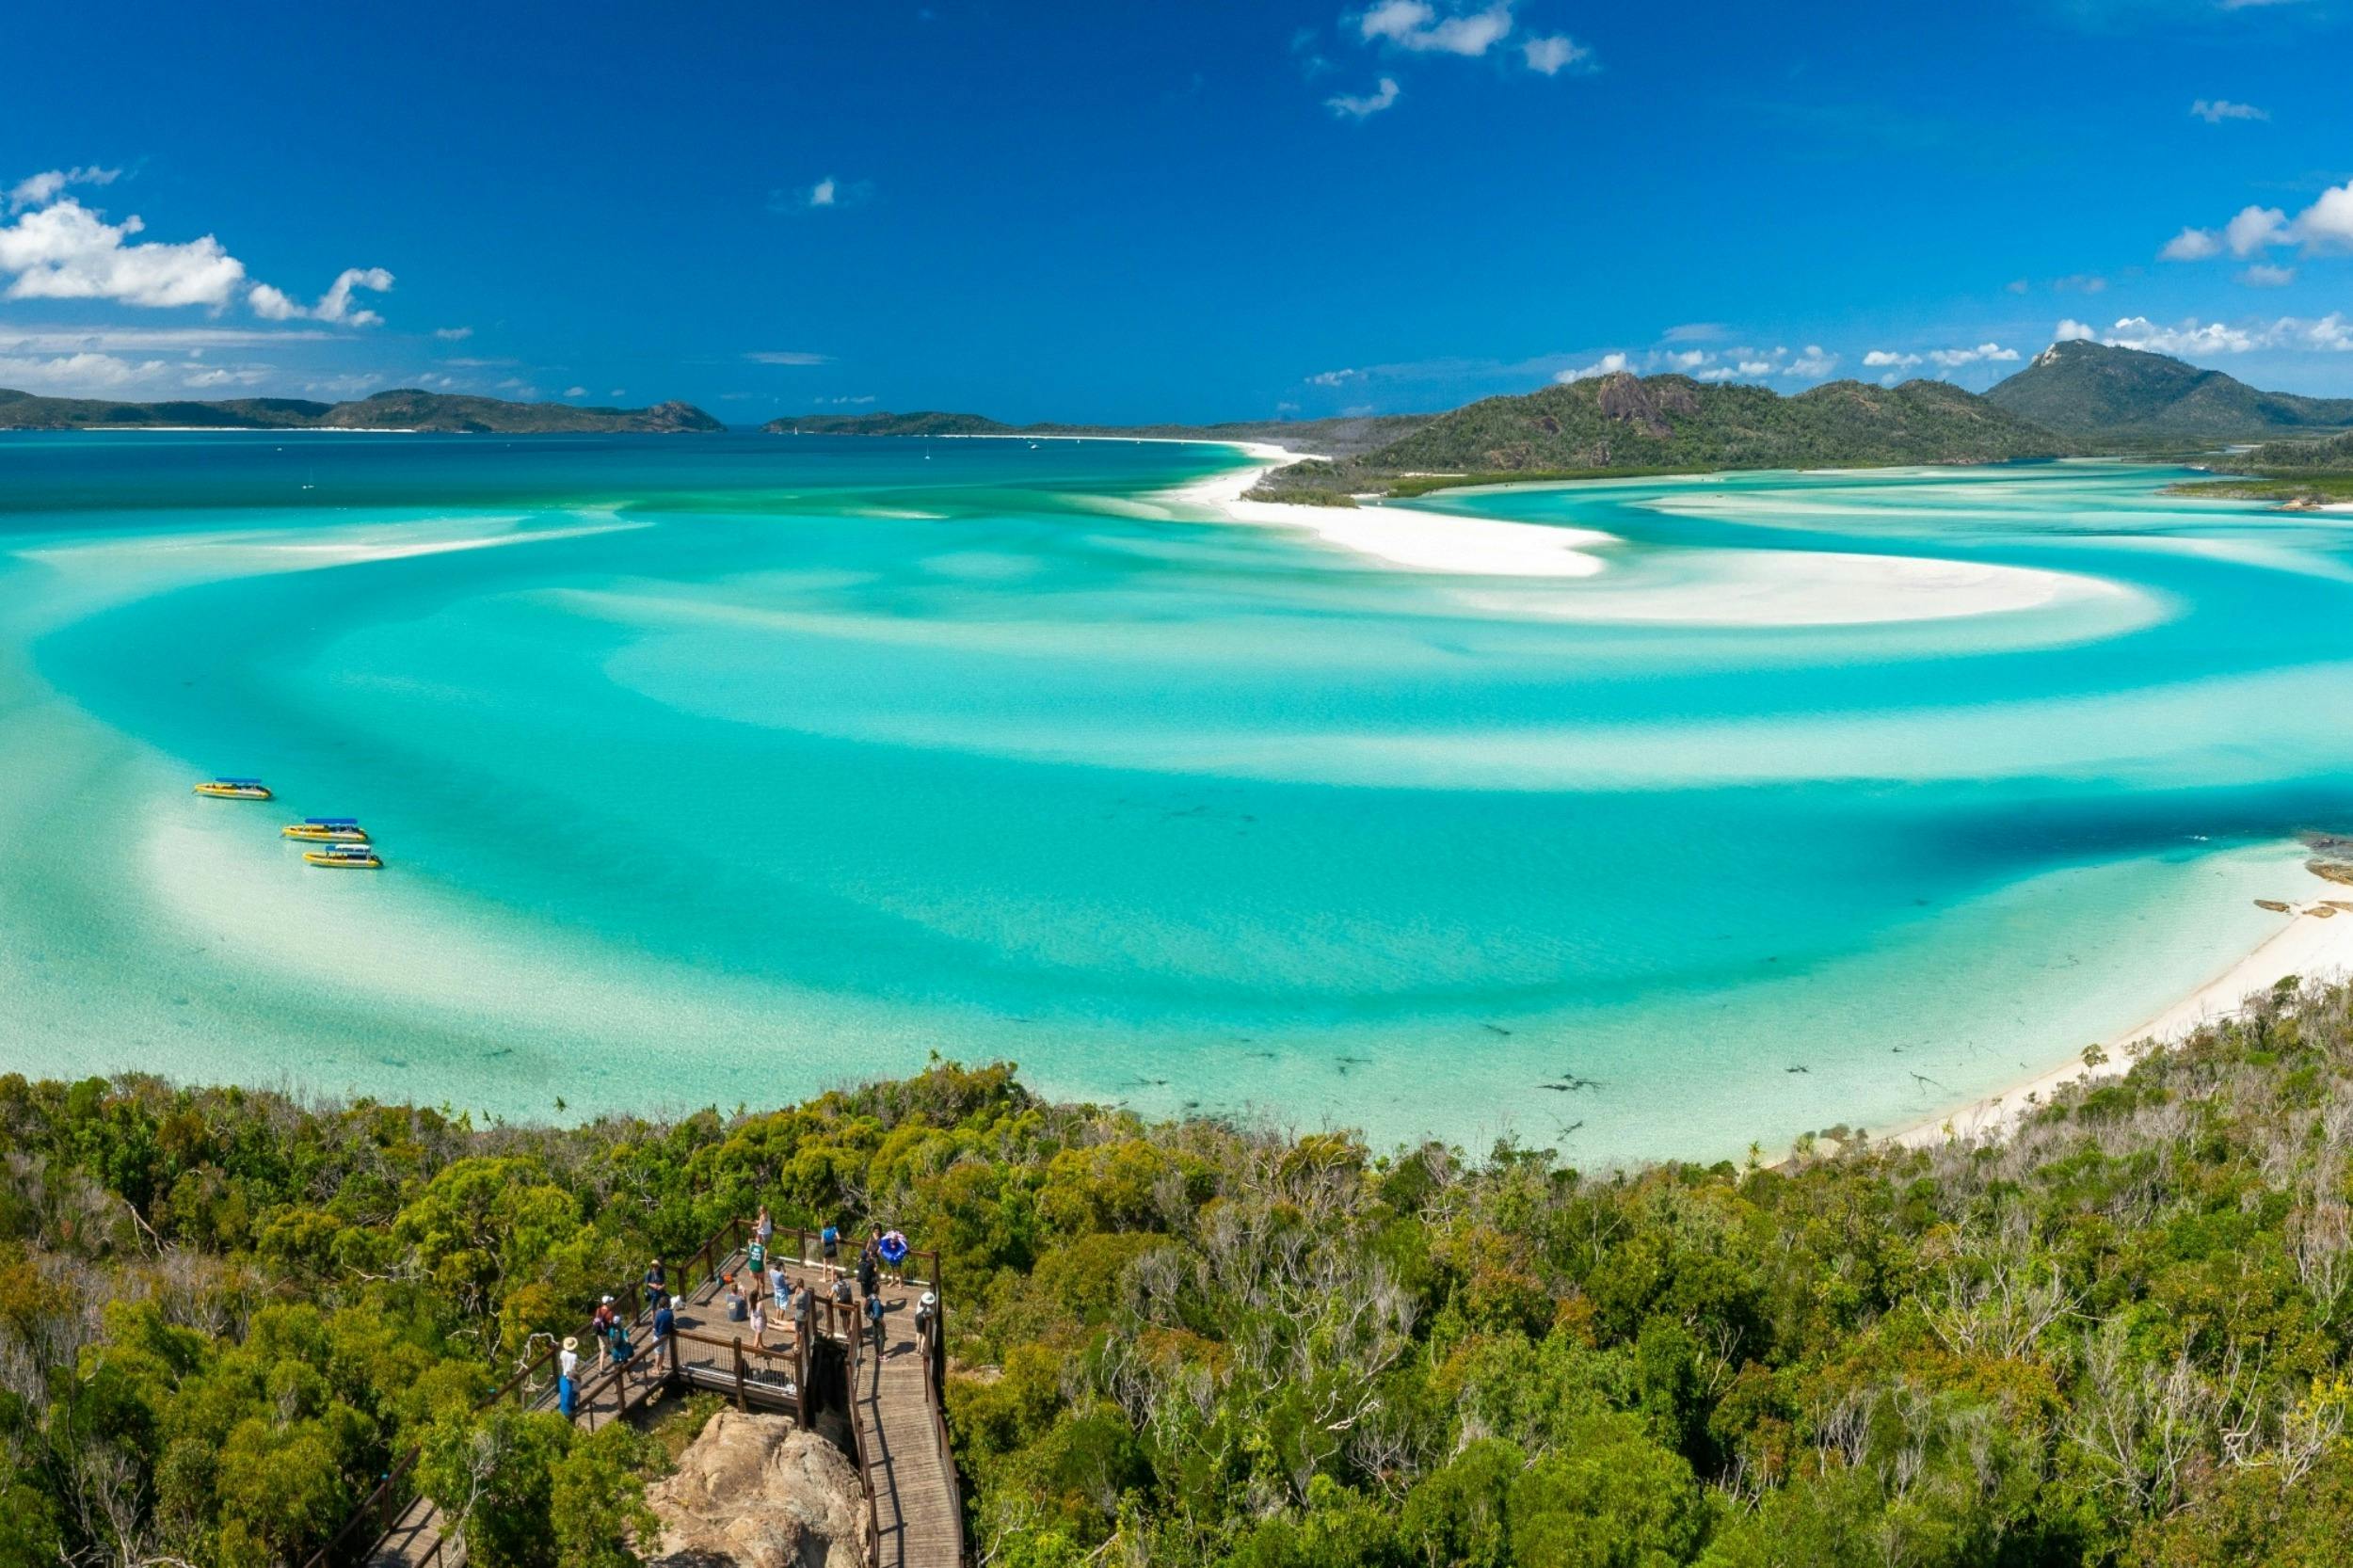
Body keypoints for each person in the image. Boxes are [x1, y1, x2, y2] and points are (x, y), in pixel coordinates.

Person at [650, 1296, 676, 1374]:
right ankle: (660, 1366)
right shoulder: (670, 1313)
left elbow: (655, 1325)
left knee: (658, 1353)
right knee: (662, 1351)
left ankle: (656, 1369)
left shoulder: (659, 1314)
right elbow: (671, 1324)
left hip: (658, 1336)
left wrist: (653, 1327)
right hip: (666, 1335)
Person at [558, 1336, 581, 1418]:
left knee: (565, 1393)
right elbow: (575, 1368)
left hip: (564, 1375)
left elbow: (561, 1363)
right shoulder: (574, 1356)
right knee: (576, 1391)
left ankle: (565, 1409)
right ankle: (577, 1405)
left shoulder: (562, 1353)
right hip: (573, 1376)